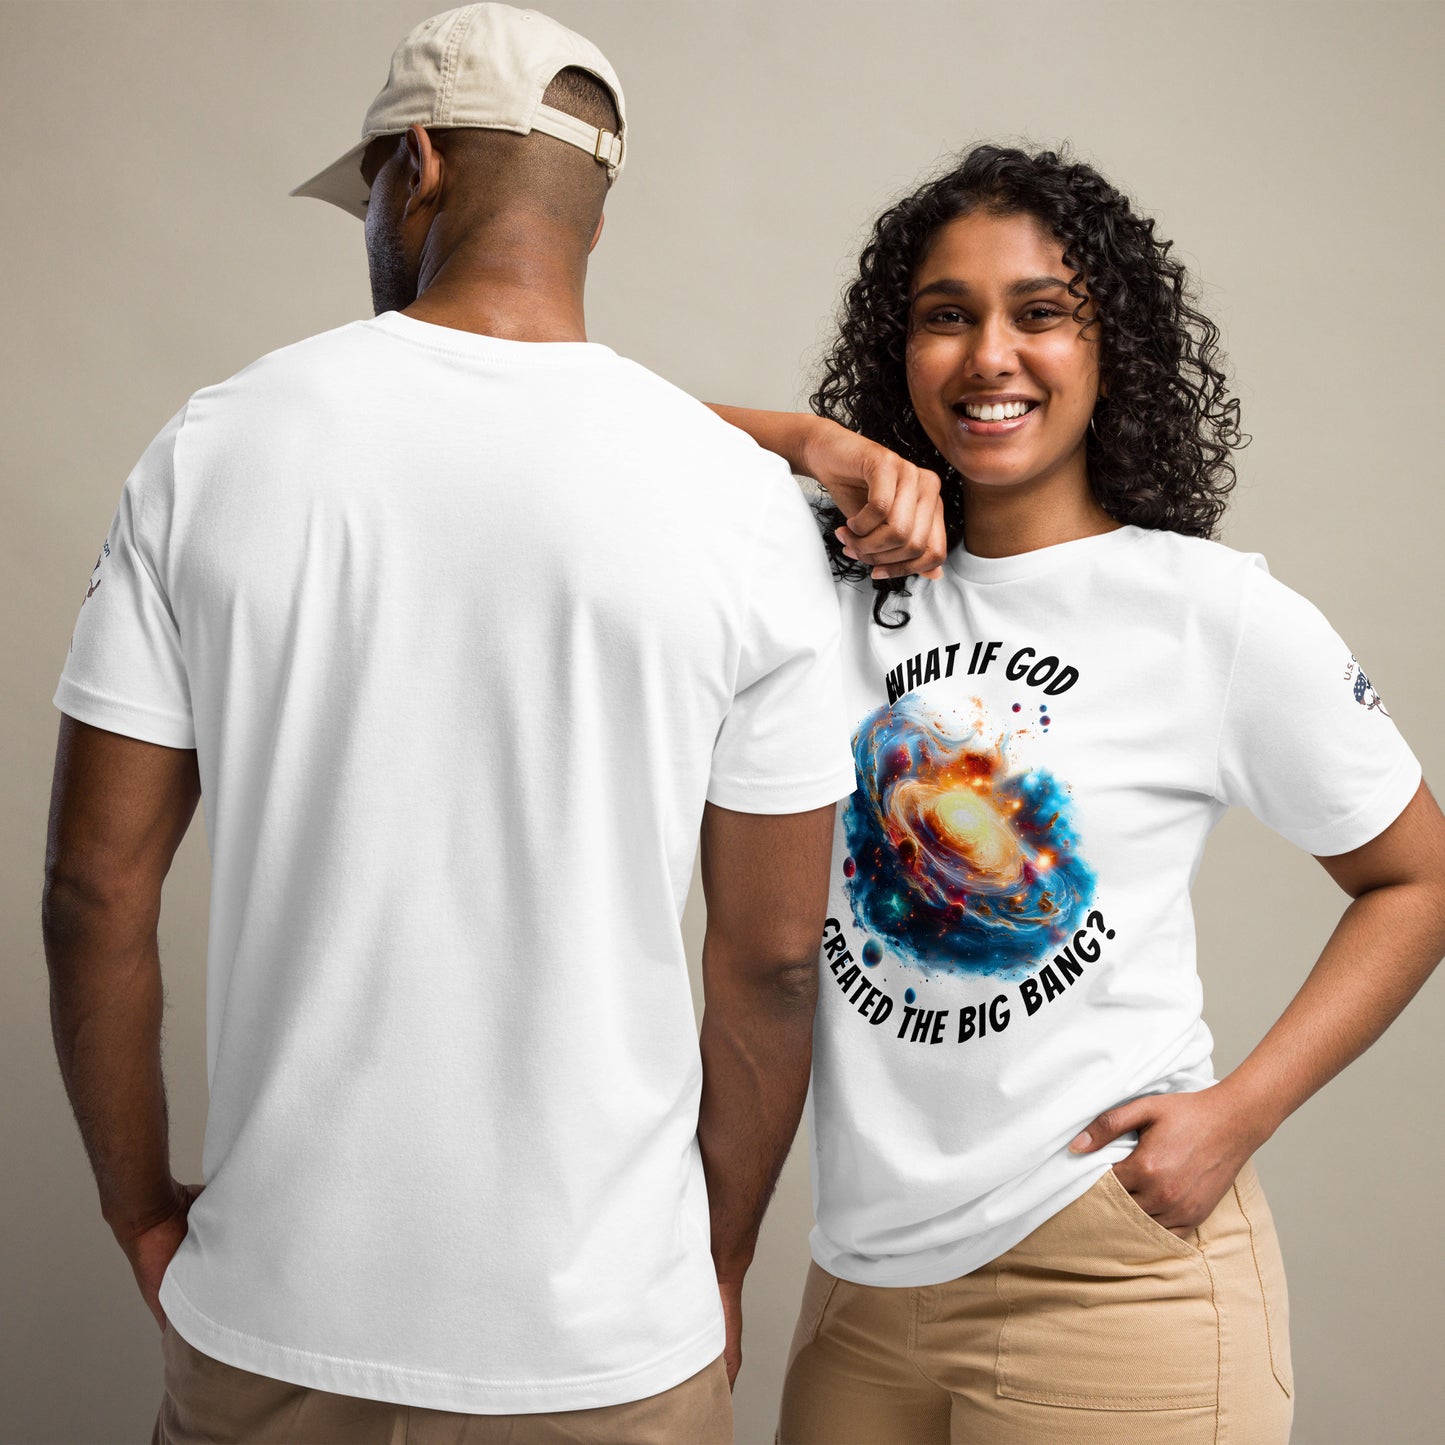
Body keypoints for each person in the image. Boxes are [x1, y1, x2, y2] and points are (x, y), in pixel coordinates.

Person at [41, 6, 857, 1443]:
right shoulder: (738, 505)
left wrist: (139, 1211)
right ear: (593, 214)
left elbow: (93, 887)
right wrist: (710, 1266)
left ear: (411, 169)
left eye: (364, 186)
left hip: (274, 1316)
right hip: (606, 1341)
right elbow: (773, 959)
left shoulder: (215, 447)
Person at [713, 143, 1445, 1443]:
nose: (990, 354)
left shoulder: (1204, 612)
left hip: (1107, 1274)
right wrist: (812, 444)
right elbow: (585, 435)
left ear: (1113, 348)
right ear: (900, 348)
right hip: (859, 1284)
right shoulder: (818, 585)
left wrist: (1239, 1111)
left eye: (1039, 312)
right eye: (947, 316)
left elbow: (1417, 876)